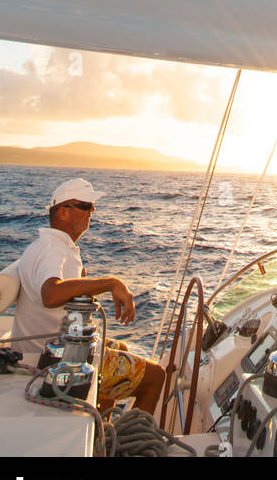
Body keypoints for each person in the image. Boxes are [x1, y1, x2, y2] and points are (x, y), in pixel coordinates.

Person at [10, 178, 165, 415]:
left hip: (49, 348)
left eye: (92, 205)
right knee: (156, 376)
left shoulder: (48, 246)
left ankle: (99, 426)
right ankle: (127, 449)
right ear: (62, 212)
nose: (92, 210)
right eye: (85, 205)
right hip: (52, 359)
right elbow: (50, 294)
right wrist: (110, 283)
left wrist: (82, 282)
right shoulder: (53, 250)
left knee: (120, 346)